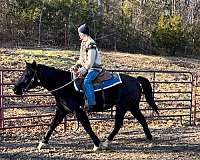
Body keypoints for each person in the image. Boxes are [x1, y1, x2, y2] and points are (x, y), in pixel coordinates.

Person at [72, 23, 102, 111]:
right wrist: (76, 66)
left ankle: (91, 104)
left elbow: (91, 61)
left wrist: (83, 69)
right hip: (87, 67)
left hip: (95, 68)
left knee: (87, 81)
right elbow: (82, 58)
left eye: (79, 34)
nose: (79, 35)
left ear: (83, 33)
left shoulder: (91, 43)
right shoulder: (83, 43)